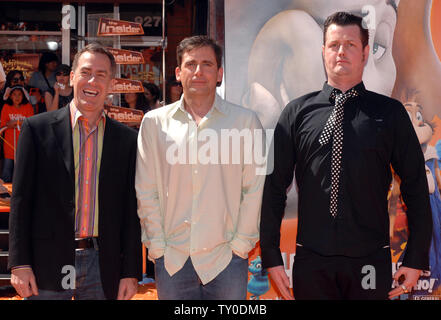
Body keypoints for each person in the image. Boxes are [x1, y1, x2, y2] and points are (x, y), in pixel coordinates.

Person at [259, 12, 433, 300]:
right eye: (334, 45)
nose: (341, 52)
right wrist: (271, 255)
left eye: (350, 45)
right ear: (323, 51)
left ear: (365, 53)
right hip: (311, 259)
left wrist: (415, 258)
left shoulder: (389, 113)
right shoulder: (296, 112)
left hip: (369, 258)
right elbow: (275, 188)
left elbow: (415, 186)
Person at [8, 43, 142, 300]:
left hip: (102, 264)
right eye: (85, 72)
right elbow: (21, 200)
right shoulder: (37, 129)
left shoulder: (126, 140)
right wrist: (20, 262)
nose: (93, 80)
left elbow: (130, 211)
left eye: (102, 74)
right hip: (46, 262)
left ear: (111, 84)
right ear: (71, 77)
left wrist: (130, 271)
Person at [135, 35, 265, 300]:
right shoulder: (154, 123)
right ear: (178, 73)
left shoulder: (245, 122)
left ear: (219, 73)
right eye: (191, 64)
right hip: (172, 260)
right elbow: (145, 189)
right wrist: (158, 247)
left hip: (226, 260)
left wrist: (241, 246)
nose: (198, 71)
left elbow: (254, 189)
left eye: (207, 64)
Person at [0, 86, 34, 182]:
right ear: (10, 96)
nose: (17, 97)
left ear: (23, 96)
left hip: (24, 146)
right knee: (7, 170)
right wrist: (20, 123)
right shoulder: (6, 107)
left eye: (19, 95)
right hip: (9, 146)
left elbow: (30, 122)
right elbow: (4, 124)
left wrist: (15, 122)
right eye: (14, 94)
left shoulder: (28, 107)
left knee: (23, 171)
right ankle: (5, 194)